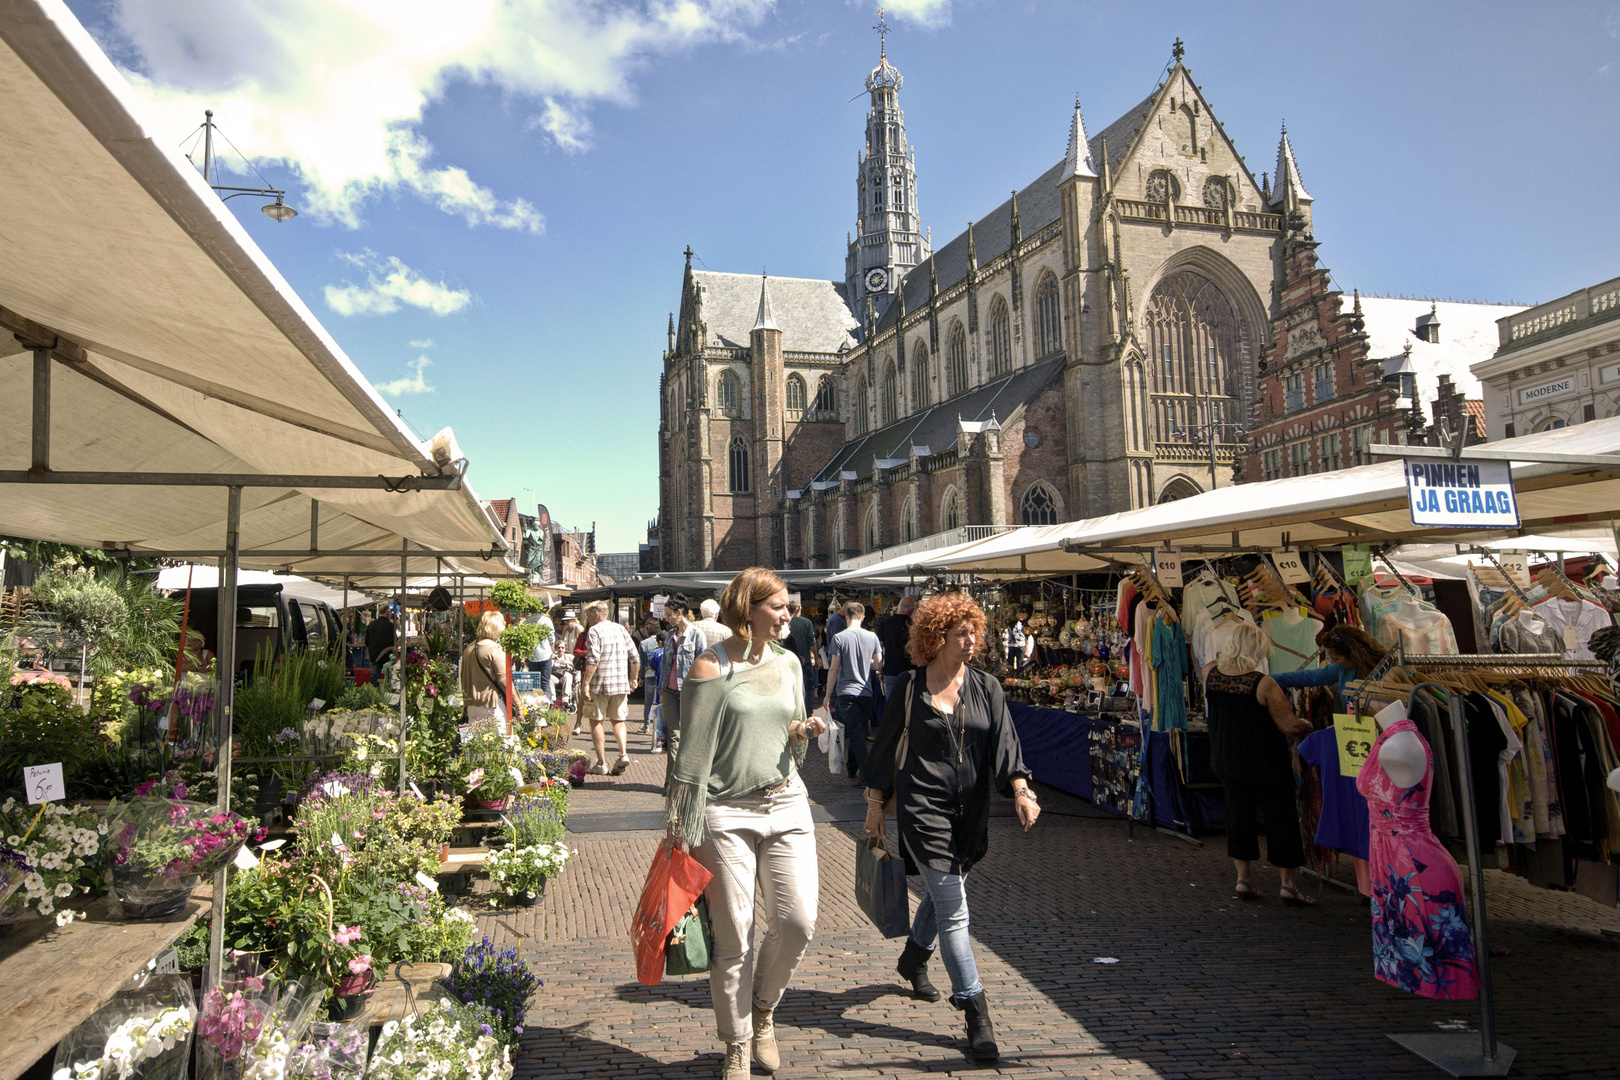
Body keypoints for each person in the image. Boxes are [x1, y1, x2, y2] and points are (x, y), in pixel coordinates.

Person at [862, 591, 1039, 1064]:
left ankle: (914, 958)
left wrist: (1021, 791)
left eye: (974, 632)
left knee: (948, 892)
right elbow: (883, 749)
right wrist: (876, 803)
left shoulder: (987, 687)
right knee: (955, 909)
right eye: (961, 633)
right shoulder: (909, 686)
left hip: (971, 811)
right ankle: (975, 1009)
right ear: (936, 637)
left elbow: (1006, 744)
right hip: (922, 809)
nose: (971, 640)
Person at [668, 568, 826, 1080]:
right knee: (735, 931)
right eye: (779, 606)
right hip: (726, 810)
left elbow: (792, 734)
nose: (789, 614)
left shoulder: (790, 663)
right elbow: (690, 755)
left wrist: (802, 730)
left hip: (786, 801)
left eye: (788, 606)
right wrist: (682, 827)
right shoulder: (710, 667)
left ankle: (763, 1009)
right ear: (748, 609)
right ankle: (736, 1042)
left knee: (798, 921)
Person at [1202, 622, 1315, 903]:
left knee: (1238, 817)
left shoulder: (1210, 673)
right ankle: (1287, 884)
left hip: (1227, 758)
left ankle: (1243, 880)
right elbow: (1288, 725)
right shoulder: (1264, 684)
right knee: (1281, 819)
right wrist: (1307, 724)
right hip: (1266, 761)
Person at [823, 602, 882, 786]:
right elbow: (878, 665)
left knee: (854, 733)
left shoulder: (839, 638)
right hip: (866, 692)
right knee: (858, 730)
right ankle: (851, 769)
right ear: (863, 617)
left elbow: (834, 669)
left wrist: (826, 695)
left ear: (846, 616)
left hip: (846, 692)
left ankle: (867, 774)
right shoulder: (872, 637)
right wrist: (867, 660)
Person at [580, 601, 639, 775]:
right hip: (620, 684)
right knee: (618, 720)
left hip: (600, 684)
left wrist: (585, 684)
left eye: (588, 615)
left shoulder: (594, 631)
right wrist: (633, 678)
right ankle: (623, 753)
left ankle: (601, 763)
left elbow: (593, 660)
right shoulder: (620, 629)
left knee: (596, 720)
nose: (587, 619)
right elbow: (635, 657)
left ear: (596, 614)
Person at [1270, 624, 1385, 711]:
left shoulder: (1384, 669)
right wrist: (1265, 679)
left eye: (1337, 659)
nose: (1334, 662)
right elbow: (1308, 676)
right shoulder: (1342, 668)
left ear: (1353, 654)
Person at [661, 598, 704, 784]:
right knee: (673, 736)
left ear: (680, 613)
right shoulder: (670, 635)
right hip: (669, 691)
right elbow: (665, 664)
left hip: (688, 693)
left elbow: (703, 665)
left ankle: (687, 779)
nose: (667, 619)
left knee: (689, 737)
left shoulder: (697, 635)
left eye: (669, 615)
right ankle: (672, 782)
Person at [460, 611, 509, 726]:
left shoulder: (469, 648)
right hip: (490, 704)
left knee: (477, 740)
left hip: (472, 705)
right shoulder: (494, 648)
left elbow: (463, 677)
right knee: (501, 741)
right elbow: (503, 680)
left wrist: (465, 705)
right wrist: (519, 705)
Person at [877, 596, 916, 698]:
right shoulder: (914, 625)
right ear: (912, 610)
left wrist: (881, 669)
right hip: (910, 670)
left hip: (891, 669)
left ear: (899, 607)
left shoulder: (885, 623)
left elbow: (879, 648)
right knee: (909, 701)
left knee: (891, 703)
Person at [784, 600, 818, 713]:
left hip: (787, 661)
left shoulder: (785, 623)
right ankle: (808, 712)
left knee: (791, 687)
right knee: (808, 687)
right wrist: (816, 659)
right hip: (805, 660)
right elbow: (812, 644)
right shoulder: (807, 622)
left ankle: (794, 712)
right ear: (798, 609)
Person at [637, 617, 662, 735]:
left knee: (648, 702)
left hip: (648, 675)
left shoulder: (643, 643)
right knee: (661, 702)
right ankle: (660, 726)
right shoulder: (664, 641)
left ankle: (646, 726)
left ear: (647, 630)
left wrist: (640, 677)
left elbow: (641, 662)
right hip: (661, 675)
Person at [526, 606, 555, 700]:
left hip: (532, 655)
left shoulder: (527, 621)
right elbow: (552, 638)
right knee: (545, 682)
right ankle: (547, 704)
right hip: (546, 654)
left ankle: (536, 704)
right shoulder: (547, 620)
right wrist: (552, 651)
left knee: (535, 682)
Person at [556, 610, 581, 710]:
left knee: (574, 675)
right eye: (565, 621)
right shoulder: (566, 630)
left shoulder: (579, 629)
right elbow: (561, 642)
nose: (566, 624)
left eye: (567, 621)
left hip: (575, 657)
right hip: (566, 656)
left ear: (573, 620)